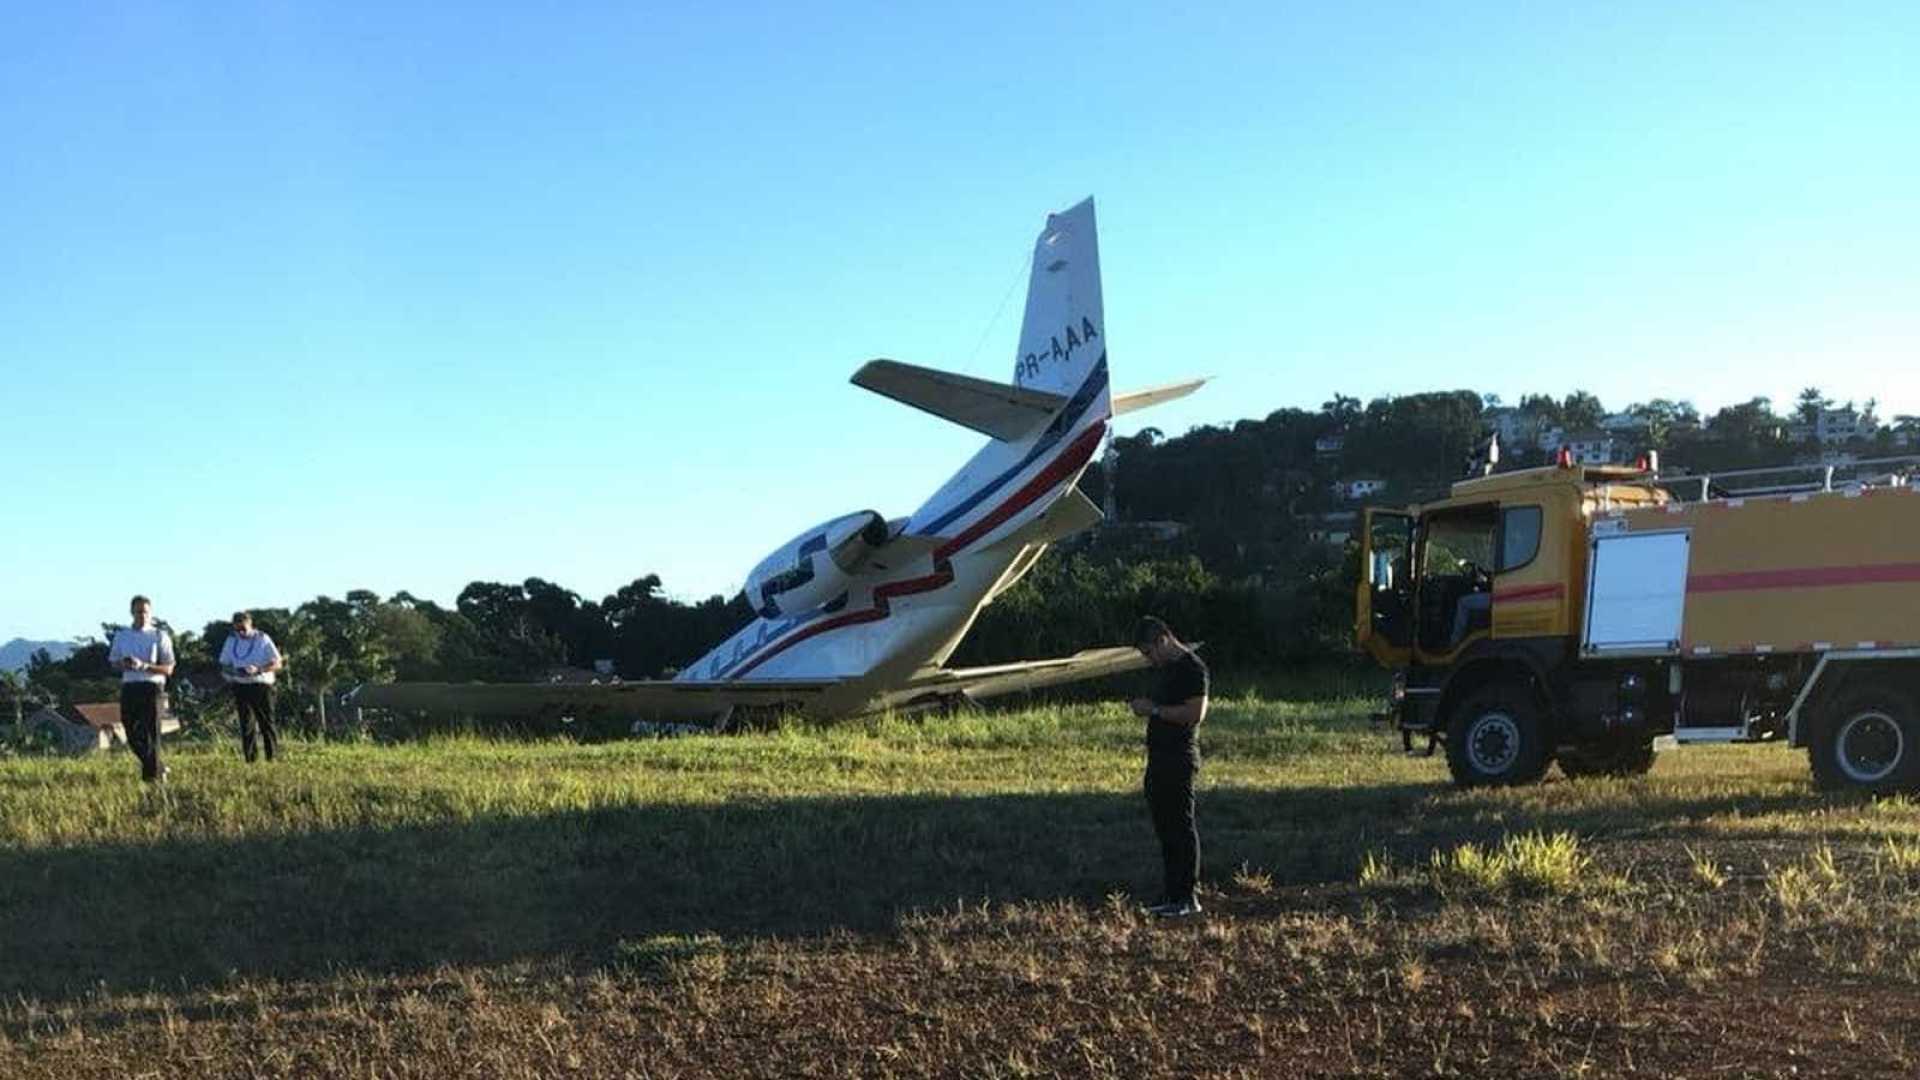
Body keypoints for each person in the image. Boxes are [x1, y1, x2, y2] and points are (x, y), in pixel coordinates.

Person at [1129, 615, 1210, 917]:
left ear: (1163, 640)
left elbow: (1195, 713)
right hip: (1159, 757)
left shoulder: (1193, 669)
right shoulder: (1165, 670)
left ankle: (1187, 895)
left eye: (1149, 652)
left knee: (1180, 826)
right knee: (1164, 826)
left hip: (1180, 757)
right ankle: (1171, 893)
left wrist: (1155, 710)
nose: (1149, 659)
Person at [106, 595, 176, 784]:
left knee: (151, 731)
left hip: (152, 686)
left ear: (150, 613)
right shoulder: (122, 636)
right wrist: (124, 664)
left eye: (145, 612)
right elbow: (113, 663)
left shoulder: (159, 636)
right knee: (130, 729)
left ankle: (151, 777)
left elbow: (169, 668)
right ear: (132, 612)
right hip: (130, 685)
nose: (142, 615)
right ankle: (158, 766)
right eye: (138, 612)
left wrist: (144, 666)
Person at [219, 611, 284, 762]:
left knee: (266, 722)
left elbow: (277, 663)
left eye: (243, 628)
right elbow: (223, 663)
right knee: (246, 724)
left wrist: (259, 669)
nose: (241, 632)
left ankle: (271, 756)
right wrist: (234, 671)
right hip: (240, 684)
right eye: (237, 629)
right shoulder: (231, 640)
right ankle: (250, 758)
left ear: (250, 624)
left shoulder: (262, 638)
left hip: (261, 684)